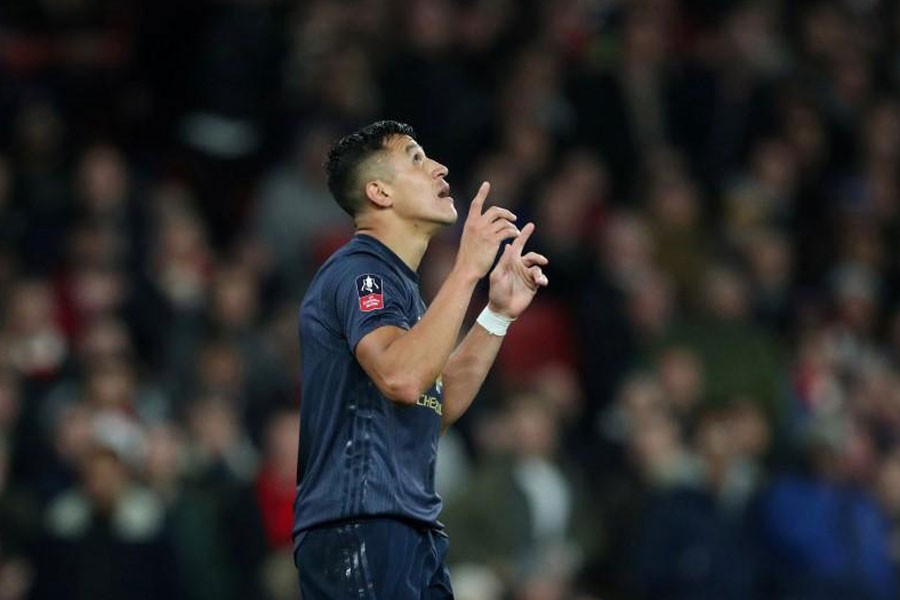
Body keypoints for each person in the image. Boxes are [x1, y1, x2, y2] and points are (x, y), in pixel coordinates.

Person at [293, 120, 549, 598]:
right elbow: (403, 378)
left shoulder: (403, 293)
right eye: (415, 157)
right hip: (360, 526)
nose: (438, 167)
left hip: (412, 531)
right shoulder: (360, 272)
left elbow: (434, 404)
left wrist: (495, 315)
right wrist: (468, 269)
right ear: (379, 193)